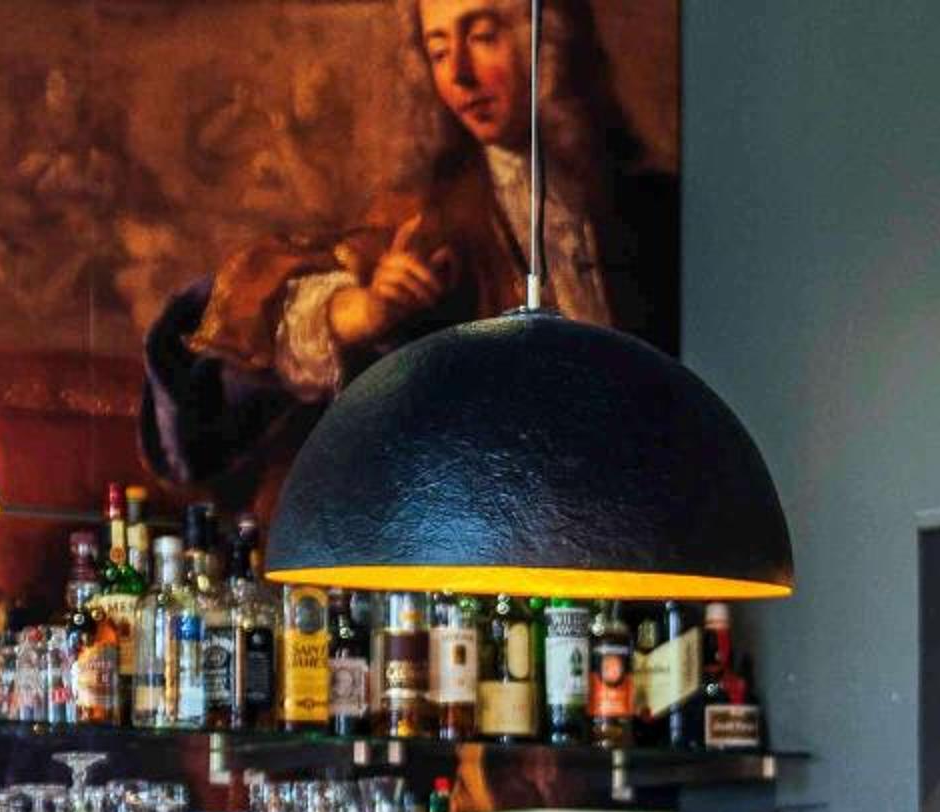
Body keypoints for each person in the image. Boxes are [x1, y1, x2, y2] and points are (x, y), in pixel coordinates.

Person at [141, 0, 678, 500]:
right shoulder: (428, 221)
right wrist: (353, 313)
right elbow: (222, 361)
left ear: (551, 41)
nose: (459, 75)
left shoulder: (651, 208)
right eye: (438, 51)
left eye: (483, 37)